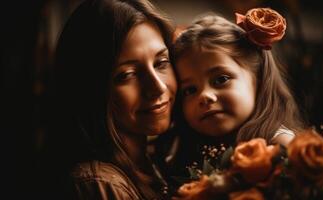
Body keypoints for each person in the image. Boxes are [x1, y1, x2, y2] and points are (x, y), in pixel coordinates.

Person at [40, 0, 177, 199]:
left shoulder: (153, 160)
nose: (158, 87)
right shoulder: (99, 185)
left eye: (161, 63)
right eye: (127, 75)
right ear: (90, 90)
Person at [155, 8, 305, 179]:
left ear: (259, 78)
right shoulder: (187, 156)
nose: (205, 96)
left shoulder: (282, 147)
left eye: (221, 79)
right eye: (190, 90)